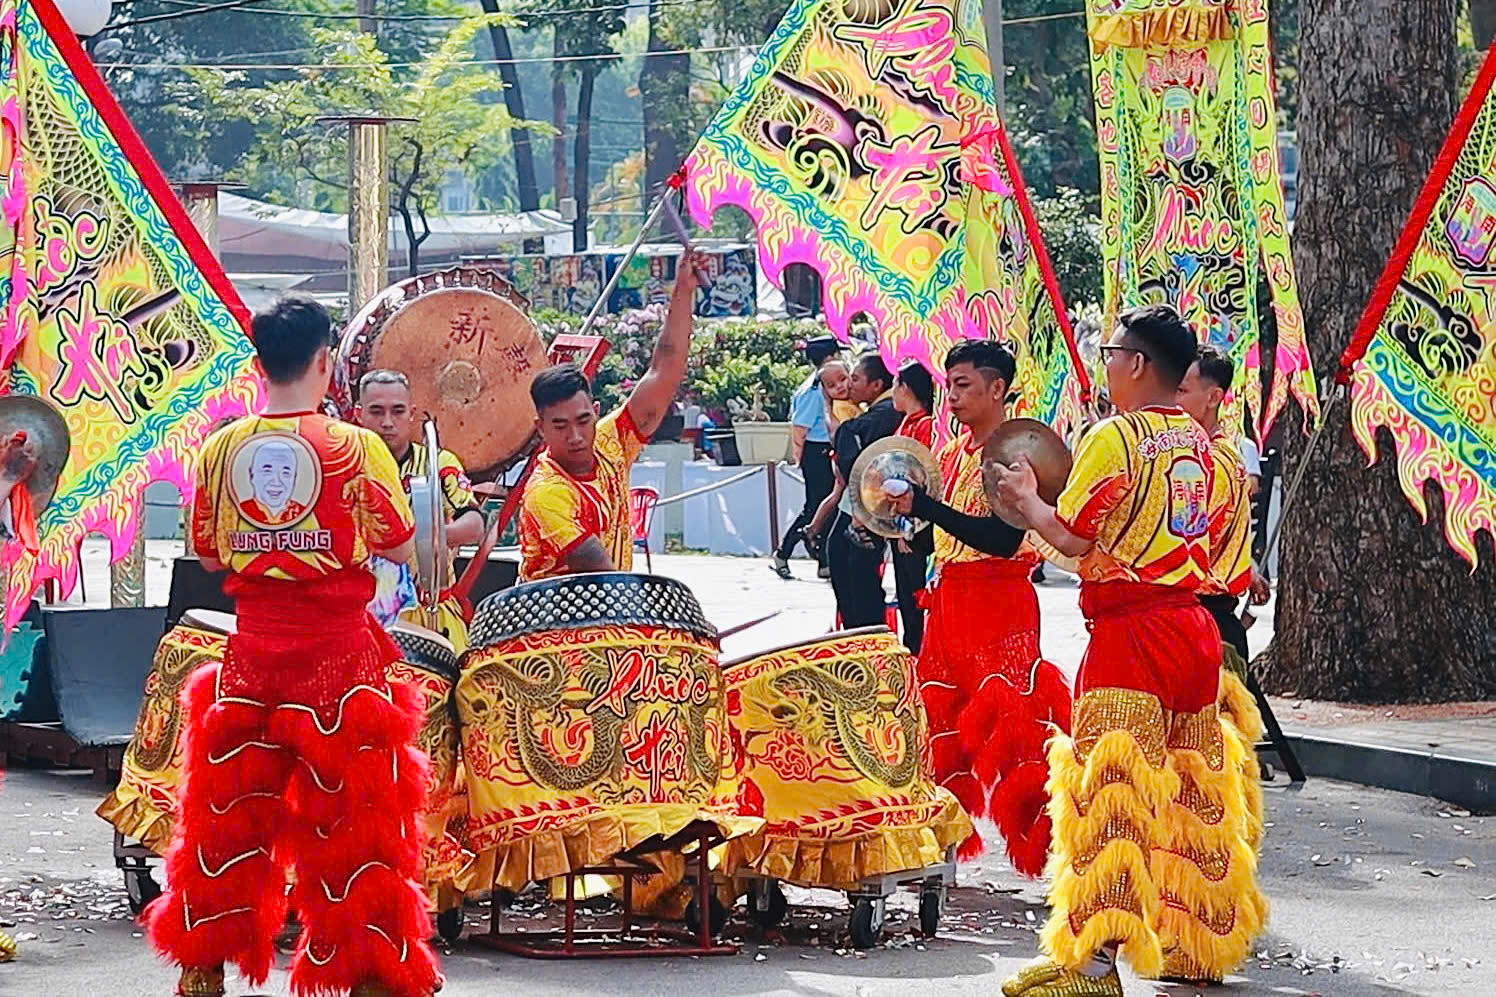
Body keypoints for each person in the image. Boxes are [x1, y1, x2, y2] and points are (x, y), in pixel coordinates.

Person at [145, 297, 440, 997]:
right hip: (339, 656)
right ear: (324, 360)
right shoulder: (354, 445)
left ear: (258, 364)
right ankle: (368, 971)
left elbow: (209, 555)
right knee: (359, 818)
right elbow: (399, 542)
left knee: (229, 810)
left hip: (252, 651)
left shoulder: (222, 448)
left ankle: (200, 966)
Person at [995, 304, 1265, 995]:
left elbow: (1076, 539)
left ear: (1139, 364)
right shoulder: (1218, 454)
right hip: (1197, 635)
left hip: (1130, 637)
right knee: (1191, 791)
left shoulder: (1117, 439)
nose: (1105, 364)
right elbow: (1230, 568)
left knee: (1111, 792)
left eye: (1111, 352)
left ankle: (1090, 965)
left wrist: (1027, 500)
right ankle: (1197, 945)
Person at [884, 341, 1070, 873]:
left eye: (963, 385)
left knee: (1015, 730)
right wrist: (905, 522)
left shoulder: (1019, 457)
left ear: (997, 388)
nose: (953, 397)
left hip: (999, 600)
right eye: (949, 386)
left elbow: (1002, 539)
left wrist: (926, 508)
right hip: (949, 601)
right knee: (941, 721)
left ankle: (1050, 849)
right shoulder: (951, 454)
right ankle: (943, 849)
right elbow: (939, 538)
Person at [517, 253, 701, 580]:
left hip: (611, 604)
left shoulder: (610, 440)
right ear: (540, 429)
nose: (575, 436)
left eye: (583, 421)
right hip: (558, 623)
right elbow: (598, 568)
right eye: (559, 425)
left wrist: (684, 290)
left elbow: (664, 371)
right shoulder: (547, 491)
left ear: (596, 413)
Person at [355, 368, 486, 650]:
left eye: (397, 411)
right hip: (363, 613)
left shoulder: (438, 462)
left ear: (412, 414)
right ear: (359, 415)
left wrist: (429, 538)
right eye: (376, 412)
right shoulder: (347, 468)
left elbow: (474, 525)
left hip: (432, 609)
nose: (387, 422)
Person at [824, 353, 901, 628]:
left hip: (872, 506)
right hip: (855, 502)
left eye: (855, 379)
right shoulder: (873, 412)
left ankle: (865, 635)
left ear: (877, 385)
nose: (850, 386)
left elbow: (851, 446)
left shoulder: (887, 412)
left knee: (860, 574)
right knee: (842, 559)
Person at [772, 335, 844, 580]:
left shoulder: (824, 384)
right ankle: (783, 552)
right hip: (816, 451)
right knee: (815, 507)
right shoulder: (815, 389)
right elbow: (800, 428)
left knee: (830, 506)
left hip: (826, 450)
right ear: (830, 357)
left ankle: (824, 561)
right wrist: (799, 457)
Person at [889, 360, 935, 653]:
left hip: (914, 525)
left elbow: (923, 480)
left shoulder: (925, 426)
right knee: (905, 597)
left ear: (905, 388)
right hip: (898, 522)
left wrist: (910, 528)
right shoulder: (907, 423)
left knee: (915, 598)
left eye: (895, 385)